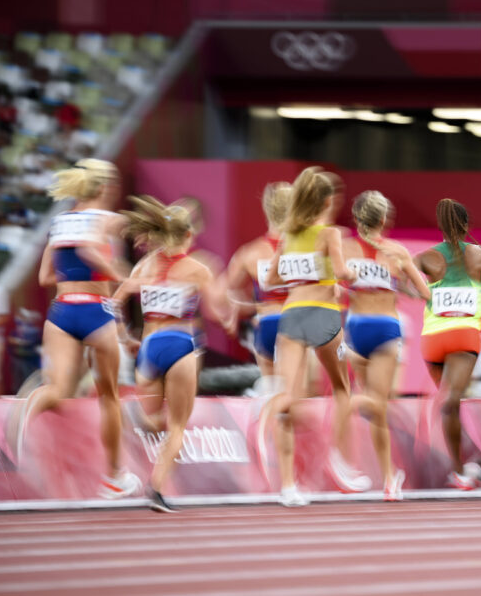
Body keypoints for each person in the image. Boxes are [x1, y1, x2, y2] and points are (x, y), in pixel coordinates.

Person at [22, 158, 138, 498]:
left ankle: (14, 431)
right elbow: (114, 241)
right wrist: (119, 271)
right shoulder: (108, 220)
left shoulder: (59, 223)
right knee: (110, 398)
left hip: (61, 313)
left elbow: (45, 277)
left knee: (55, 389)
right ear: (103, 187)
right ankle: (115, 477)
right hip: (96, 311)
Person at [114, 196, 221, 512]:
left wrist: (125, 338)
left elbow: (115, 301)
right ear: (189, 235)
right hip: (180, 345)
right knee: (176, 427)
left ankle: (138, 417)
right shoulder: (199, 270)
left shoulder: (144, 265)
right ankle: (156, 488)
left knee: (154, 420)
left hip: (148, 349)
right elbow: (214, 312)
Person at [265, 167, 360, 506]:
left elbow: (269, 280)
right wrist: (352, 272)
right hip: (324, 317)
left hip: (291, 317)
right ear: (327, 201)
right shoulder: (330, 234)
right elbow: (343, 272)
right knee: (341, 388)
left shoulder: (288, 235)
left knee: (286, 398)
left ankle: (288, 486)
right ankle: (340, 460)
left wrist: (299, 274)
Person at [340, 191, 431, 501]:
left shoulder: (345, 248)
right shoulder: (396, 251)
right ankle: (340, 424)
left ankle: (389, 476)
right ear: (384, 220)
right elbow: (426, 294)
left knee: (377, 408)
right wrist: (403, 284)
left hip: (355, 328)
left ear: (356, 218)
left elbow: (336, 285)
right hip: (384, 328)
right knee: (377, 404)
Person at [415, 198, 481, 489]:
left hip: (432, 339)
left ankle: (461, 467)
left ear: (440, 227)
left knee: (450, 403)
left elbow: (403, 283)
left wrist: (427, 294)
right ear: (467, 225)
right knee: (456, 401)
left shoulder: (424, 257)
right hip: (464, 336)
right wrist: (479, 289)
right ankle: (467, 467)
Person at [223, 182, 292, 380]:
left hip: (266, 323)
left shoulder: (249, 253)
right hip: (296, 323)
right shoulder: (307, 249)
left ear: (266, 210)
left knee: (270, 391)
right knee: (296, 395)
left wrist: (248, 307)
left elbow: (227, 292)